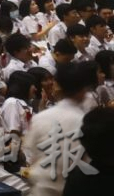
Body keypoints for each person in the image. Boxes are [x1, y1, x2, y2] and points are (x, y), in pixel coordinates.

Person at [25, 61, 98, 196]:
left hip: (42, 190)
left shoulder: (40, 117)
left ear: (58, 85)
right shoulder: (85, 121)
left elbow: (33, 157)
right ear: (83, 89)